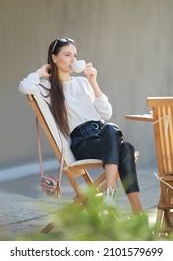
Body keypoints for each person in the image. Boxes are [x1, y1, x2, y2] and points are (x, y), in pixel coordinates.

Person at [19, 37, 144, 215]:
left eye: (75, 56)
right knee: (122, 144)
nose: (73, 60)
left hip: (103, 136)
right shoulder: (47, 88)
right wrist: (39, 73)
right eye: (67, 55)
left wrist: (93, 81)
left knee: (120, 140)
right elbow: (25, 87)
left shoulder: (83, 83)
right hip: (82, 143)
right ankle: (128, 205)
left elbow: (106, 112)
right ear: (54, 58)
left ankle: (129, 207)